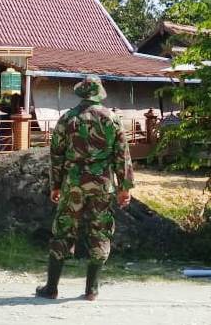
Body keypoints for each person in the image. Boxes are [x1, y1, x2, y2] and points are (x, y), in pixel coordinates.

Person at [36, 75, 134, 301]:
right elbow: (122, 156)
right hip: (102, 184)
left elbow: (56, 155)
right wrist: (124, 187)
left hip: (73, 184)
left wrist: (55, 185)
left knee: (63, 230)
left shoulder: (67, 118)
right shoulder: (112, 119)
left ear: (81, 93)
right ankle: (92, 290)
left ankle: (51, 288)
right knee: (100, 232)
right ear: (99, 93)